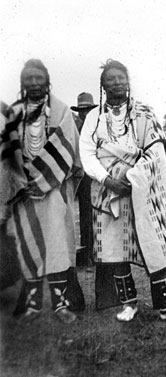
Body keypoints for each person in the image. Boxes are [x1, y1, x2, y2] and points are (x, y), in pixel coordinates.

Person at [79, 59, 166, 324]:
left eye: (121, 77)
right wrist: (108, 179)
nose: (117, 82)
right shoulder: (93, 118)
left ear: (128, 81)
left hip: (142, 191)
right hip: (108, 195)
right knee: (115, 249)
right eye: (111, 78)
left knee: (156, 244)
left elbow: (155, 151)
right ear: (102, 84)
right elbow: (87, 154)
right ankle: (128, 303)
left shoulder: (145, 114)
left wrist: (131, 177)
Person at [0, 59, 85, 322]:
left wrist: (42, 180)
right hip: (23, 193)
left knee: (58, 243)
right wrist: (20, 182)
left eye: (39, 77)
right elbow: (5, 153)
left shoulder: (61, 112)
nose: (34, 82)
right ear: (22, 82)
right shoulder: (13, 113)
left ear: (47, 80)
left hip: (53, 190)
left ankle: (61, 304)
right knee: (27, 242)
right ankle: (33, 304)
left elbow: (70, 148)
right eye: (29, 78)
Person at [71, 93, 98, 269]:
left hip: (96, 175)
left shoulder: (97, 126)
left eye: (87, 110)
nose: (84, 113)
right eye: (81, 110)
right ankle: (88, 255)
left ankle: (96, 254)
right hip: (82, 177)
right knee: (85, 215)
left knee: (96, 215)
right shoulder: (74, 127)